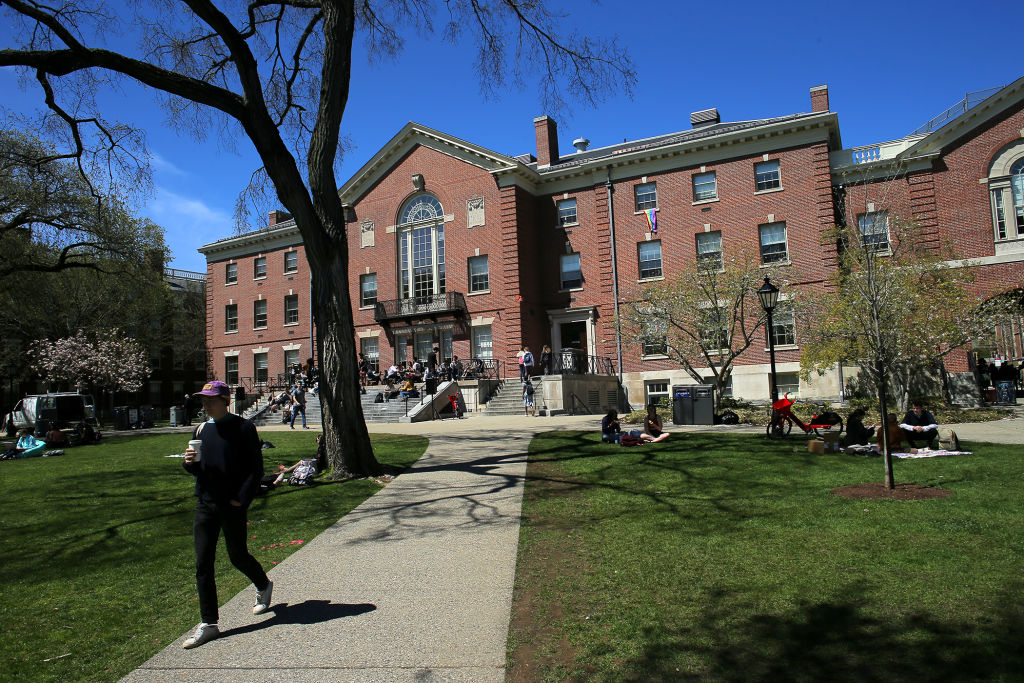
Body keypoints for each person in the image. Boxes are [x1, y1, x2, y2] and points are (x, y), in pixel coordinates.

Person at [181, 380, 272, 649]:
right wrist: (189, 463)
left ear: (225, 400)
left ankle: (263, 585)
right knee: (203, 564)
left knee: (237, 556)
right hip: (205, 504)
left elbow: (255, 469)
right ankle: (209, 623)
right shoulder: (201, 429)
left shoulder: (243, 428)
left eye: (211, 399)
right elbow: (198, 470)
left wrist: (240, 500)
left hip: (231, 505)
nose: (206, 404)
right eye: (204, 400)